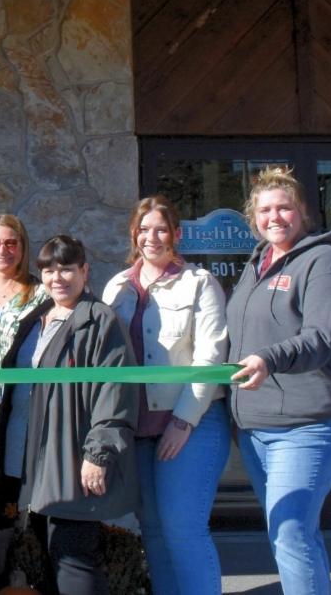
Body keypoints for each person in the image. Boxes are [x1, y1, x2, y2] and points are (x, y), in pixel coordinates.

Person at [228, 166, 331, 595]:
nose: (275, 217)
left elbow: (320, 337)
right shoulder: (256, 264)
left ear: (303, 212)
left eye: (284, 207)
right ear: (253, 217)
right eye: (265, 209)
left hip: (308, 425)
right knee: (290, 534)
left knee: (290, 532)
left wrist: (268, 359)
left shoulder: (325, 262)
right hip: (256, 427)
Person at [0, 235, 136, 595]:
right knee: (50, 557)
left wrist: (97, 454)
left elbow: (114, 391)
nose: (58, 277)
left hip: (72, 461)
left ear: (84, 271)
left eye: (67, 268)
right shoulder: (39, 317)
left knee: (74, 561)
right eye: (49, 270)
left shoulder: (98, 320)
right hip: (32, 464)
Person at [101, 196, 230, 595]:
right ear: (133, 235)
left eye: (160, 229)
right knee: (153, 530)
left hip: (191, 423)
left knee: (183, 528)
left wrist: (183, 420)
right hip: (138, 428)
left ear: (176, 234)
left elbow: (212, 355)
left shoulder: (200, 283)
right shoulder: (117, 287)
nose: (151, 237)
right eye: (143, 229)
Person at [0, 213, 44, 485]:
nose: (2, 251)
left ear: (23, 247)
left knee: (13, 482)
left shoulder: (40, 294)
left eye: (11, 243)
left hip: (17, 404)